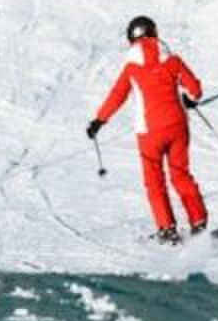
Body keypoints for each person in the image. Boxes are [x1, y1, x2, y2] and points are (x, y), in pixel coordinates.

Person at [86, 16, 208, 244]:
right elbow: (195, 89)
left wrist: (99, 121)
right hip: (177, 126)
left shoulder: (131, 67)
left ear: (131, 38)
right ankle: (198, 220)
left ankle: (167, 228)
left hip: (149, 131)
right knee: (180, 174)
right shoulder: (172, 59)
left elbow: (118, 95)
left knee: (155, 180)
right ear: (154, 33)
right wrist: (190, 99)